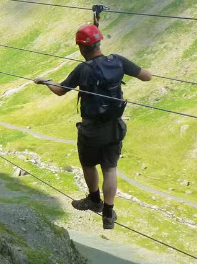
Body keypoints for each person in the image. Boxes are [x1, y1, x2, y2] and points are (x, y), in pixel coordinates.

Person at [33, 24, 151, 230]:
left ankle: (94, 201)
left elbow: (60, 90)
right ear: (99, 43)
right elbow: (146, 76)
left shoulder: (83, 69)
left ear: (81, 48)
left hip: (90, 130)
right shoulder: (118, 61)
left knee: (89, 165)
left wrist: (45, 81)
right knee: (110, 168)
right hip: (114, 127)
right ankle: (108, 213)